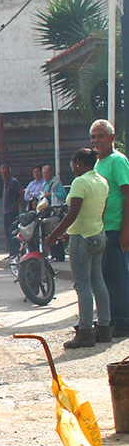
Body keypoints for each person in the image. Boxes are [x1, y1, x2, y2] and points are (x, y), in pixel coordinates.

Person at [45, 148, 110, 349]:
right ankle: (104, 328)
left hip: (82, 238)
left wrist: (54, 234)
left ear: (79, 163)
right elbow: (100, 210)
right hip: (98, 235)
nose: (72, 167)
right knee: (98, 280)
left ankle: (85, 332)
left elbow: (73, 213)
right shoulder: (102, 181)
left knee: (82, 285)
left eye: (73, 163)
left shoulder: (80, 182)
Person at [91, 119, 129, 337]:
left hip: (116, 228)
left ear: (112, 138)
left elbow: (127, 194)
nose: (96, 141)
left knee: (118, 276)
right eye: (93, 137)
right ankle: (112, 318)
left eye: (100, 136)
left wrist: (125, 229)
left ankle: (123, 321)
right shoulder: (97, 163)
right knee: (106, 277)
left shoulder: (117, 161)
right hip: (103, 229)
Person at [1, 164, 23, 258]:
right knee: (8, 233)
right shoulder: (6, 182)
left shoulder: (13, 182)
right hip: (6, 211)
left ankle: (15, 252)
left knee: (13, 232)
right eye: (2, 173)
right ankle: (11, 252)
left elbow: (21, 192)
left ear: (10, 172)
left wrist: (16, 205)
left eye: (5, 172)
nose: (4, 175)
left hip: (12, 211)